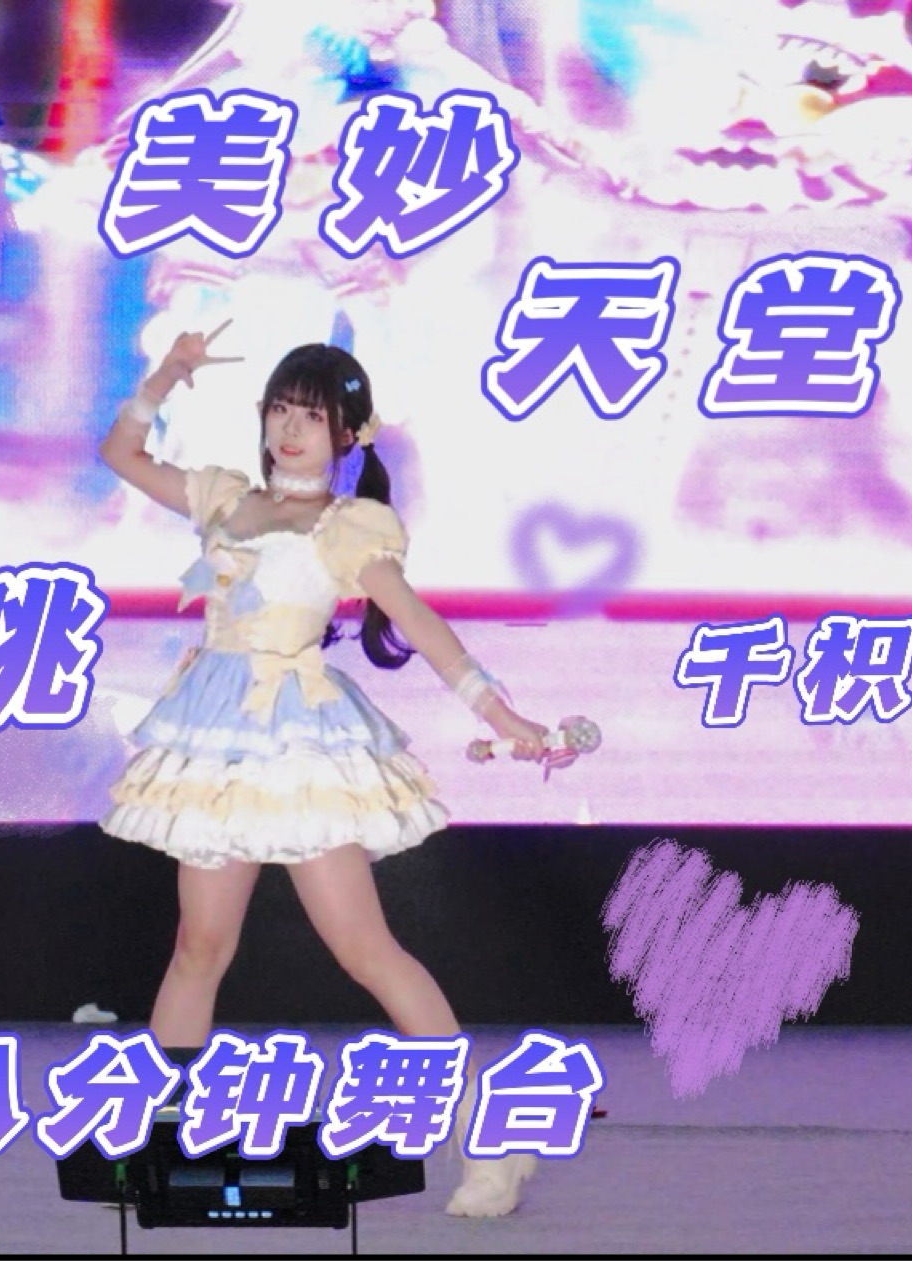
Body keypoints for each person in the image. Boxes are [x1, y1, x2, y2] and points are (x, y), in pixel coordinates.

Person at [97, 326, 573, 1217]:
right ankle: (158, 1149)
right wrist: (165, 375)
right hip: (214, 742)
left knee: (365, 950)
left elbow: (421, 624)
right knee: (198, 948)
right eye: (281, 409)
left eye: (311, 416)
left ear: (347, 434)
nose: (289, 429)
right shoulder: (225, 497)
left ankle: (492, 1137)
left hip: (300, 746)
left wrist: (502, 714)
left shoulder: (347, 529)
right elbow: (121, 454)